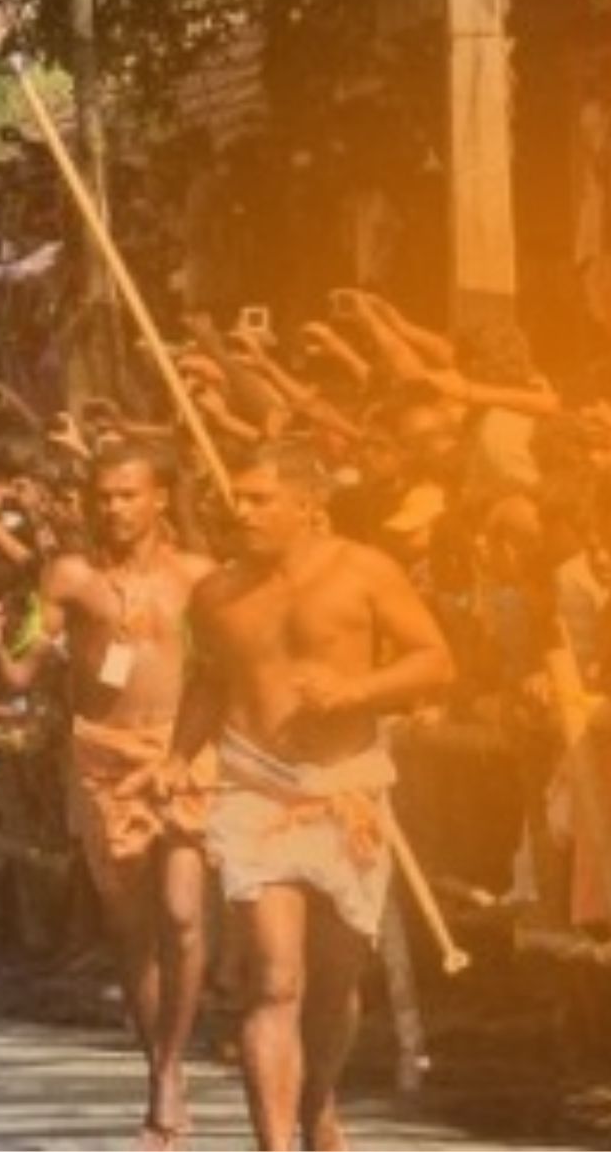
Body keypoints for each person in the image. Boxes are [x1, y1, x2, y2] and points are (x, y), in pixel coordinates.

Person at [174, 442, 454, 1151]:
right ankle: (274, 1144)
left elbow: (437, 661)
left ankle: (318, 1101)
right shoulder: (215, 593)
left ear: (307, 505)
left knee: (334, 982)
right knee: (273, 975)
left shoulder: (364, 571)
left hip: (345, 788)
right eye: (238, 497)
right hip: (253, 787)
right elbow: (209, 681)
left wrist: (358, 690)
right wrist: (178, 756)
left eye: (260, 498)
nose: (242, 510)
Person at [0, 443, 217, 1148]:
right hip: (104, 756)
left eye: (128, 494)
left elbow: (228, 666)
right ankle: (159, 1068)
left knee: (182, 912)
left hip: (181, 755)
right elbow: (19, 675)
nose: (113, 508)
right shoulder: (71, 576)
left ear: (160, 499)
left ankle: (171, 1074)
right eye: (103, 495)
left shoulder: (200, 578)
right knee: (133, 931)